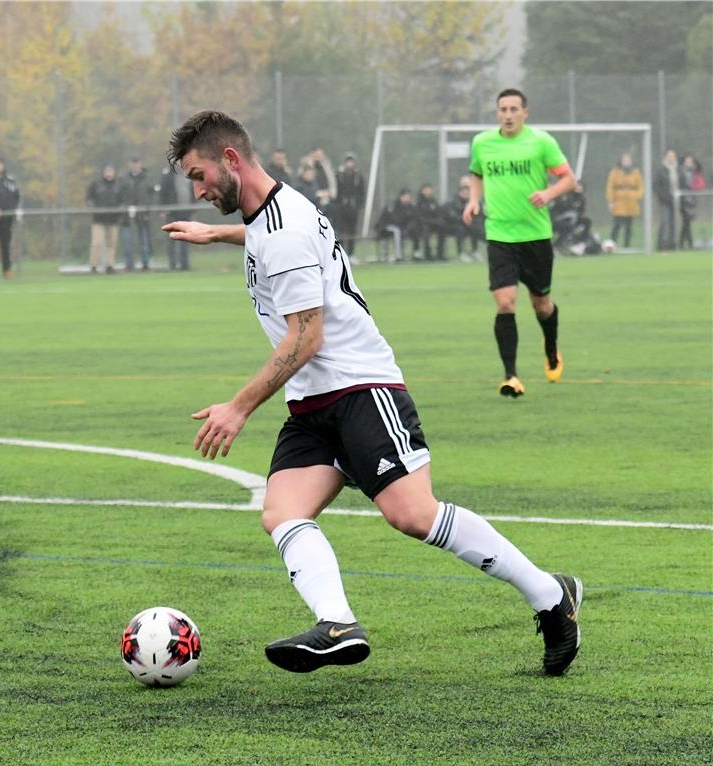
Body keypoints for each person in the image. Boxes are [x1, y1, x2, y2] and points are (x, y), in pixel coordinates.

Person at [161, 109, 581, 678]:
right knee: (282, 512)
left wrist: (238, 407)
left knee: (413, 515)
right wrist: (220, 233)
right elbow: (274, 237)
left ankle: (551, 597)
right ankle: (337, 624)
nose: (198, 189)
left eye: (198, 174)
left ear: (229, 160)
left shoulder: (281, 230)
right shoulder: (277, 210)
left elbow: (307, 336)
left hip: (359, 388)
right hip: (311, 404)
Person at [464, 88, 575, 398]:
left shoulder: (541, 142)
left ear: (525, 113)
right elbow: (476, 173)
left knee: (541, 305)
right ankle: (511, 376)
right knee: (505, 302)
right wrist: (474, 200)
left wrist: (548, 194)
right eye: (503, 109)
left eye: (514, 109)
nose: (508, 115)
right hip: (500, 236)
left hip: (536, 237)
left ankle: (551, 347)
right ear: (497, 113)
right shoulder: (483, 143)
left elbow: (569, 179)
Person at [86, 164, 123, 273]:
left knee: (112, 243)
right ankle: (94, 265)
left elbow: (123, 200)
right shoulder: (96, 184)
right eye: (107, 171)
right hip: (98, 219)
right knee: (96, 243)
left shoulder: (118, 185)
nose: (109, 174)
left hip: (113, 220)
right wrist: (93, 208)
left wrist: (119, 210)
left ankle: (109, 266)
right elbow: (89, 199)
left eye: (111, 171)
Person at [0, 158, 20, 278]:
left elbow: (16, 197)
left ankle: (7, 269)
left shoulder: (10, 181)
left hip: (7, 219)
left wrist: (10, 211)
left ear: (4, 165)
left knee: (5, 245)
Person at [120, 156, 155, 271]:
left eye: (137, 163)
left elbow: (152, 195)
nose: (135, 165)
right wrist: (125, 207)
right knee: (127, 242)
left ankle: (145, 264)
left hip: (142, 215)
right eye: (132, 163)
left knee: (144, 241)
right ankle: (129, 265)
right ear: (129, 165)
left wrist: (146, 208)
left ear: (140, 164)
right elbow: (120, 196)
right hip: (127, 215)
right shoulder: (124, 179)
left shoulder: (148, 178)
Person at [156, 163, 190, 270]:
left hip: (186, 212)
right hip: (172, 213)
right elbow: (162, 194)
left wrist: (193, 208)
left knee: (186, 239)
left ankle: (185, 264)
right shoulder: (167, 176)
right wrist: (162, 210)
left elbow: (193, 192)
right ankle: (173, 264)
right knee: (172, 239)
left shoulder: (188, 174)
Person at [605, 153, 643, 249]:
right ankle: (612, 245)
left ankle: (627, 246)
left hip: (631, 203)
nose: (626, 162)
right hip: (619, 202)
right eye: (625, 160)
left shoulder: (635, 172)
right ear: (621, 161)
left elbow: (641, 187)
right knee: (617, 225)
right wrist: (610, 201)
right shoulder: (615, 172)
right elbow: (610, 187)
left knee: (629, 226)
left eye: (628, 160)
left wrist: (636, 196)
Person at [334, 153, 365, 256]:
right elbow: (336, 190)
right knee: (342, 231)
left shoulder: (358, 176)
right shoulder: (339, 175)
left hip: (353, 207)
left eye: (351, 161)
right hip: (342, 207)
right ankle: (342, 253)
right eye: (348, 161)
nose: (350, 164)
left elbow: (362, 191)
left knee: (352, 231)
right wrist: (338, 204)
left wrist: (358, 204)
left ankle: (351, 254)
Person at [445, 177, 484, 261]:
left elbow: (479, 214)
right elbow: (452, 215)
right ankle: (461, 253)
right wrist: (464, 219)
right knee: (460, 230)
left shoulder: (474, 200)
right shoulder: (454, 200)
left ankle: (475, 251)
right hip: (456, 225)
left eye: (468, 188)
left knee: (477, 229)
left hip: (471, 225)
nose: (466, 191)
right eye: (464, 188)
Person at [653, 149, 679, 251]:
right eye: (669, 156)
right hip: (665, 201)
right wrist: (662, 196)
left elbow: (682, 183)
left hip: (676, 201)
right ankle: (660, 244)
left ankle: (672, 243)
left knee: (674, 223)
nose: (671, 158)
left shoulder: (678, 169)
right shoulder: (661, 170)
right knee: (664, 221)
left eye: (673, 156)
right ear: (666, 157)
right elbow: (656, 185)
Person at [413, 183, 447, 261]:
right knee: (426, 231)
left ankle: (440, 253)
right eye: (426, 189)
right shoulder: (418, 202)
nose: (428, 191)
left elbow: (438, 213)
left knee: (442, 228)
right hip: (422, 225)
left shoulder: (433, 201)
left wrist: (438, 221)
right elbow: (419, 216)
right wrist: (429, 221)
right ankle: (428, 254)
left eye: (429, 189)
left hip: (433, 224)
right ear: (422, 191)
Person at [678, 154, 704, 250]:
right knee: (686, 222)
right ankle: (688, 244)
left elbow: (700, 184)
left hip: (691, 201)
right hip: (682, 201)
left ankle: (684, 243)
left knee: (686, 223)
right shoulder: (680, 171)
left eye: (690, 161)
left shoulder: (695, 172)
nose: (688, 163)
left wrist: (692, 187)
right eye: (687, 161)